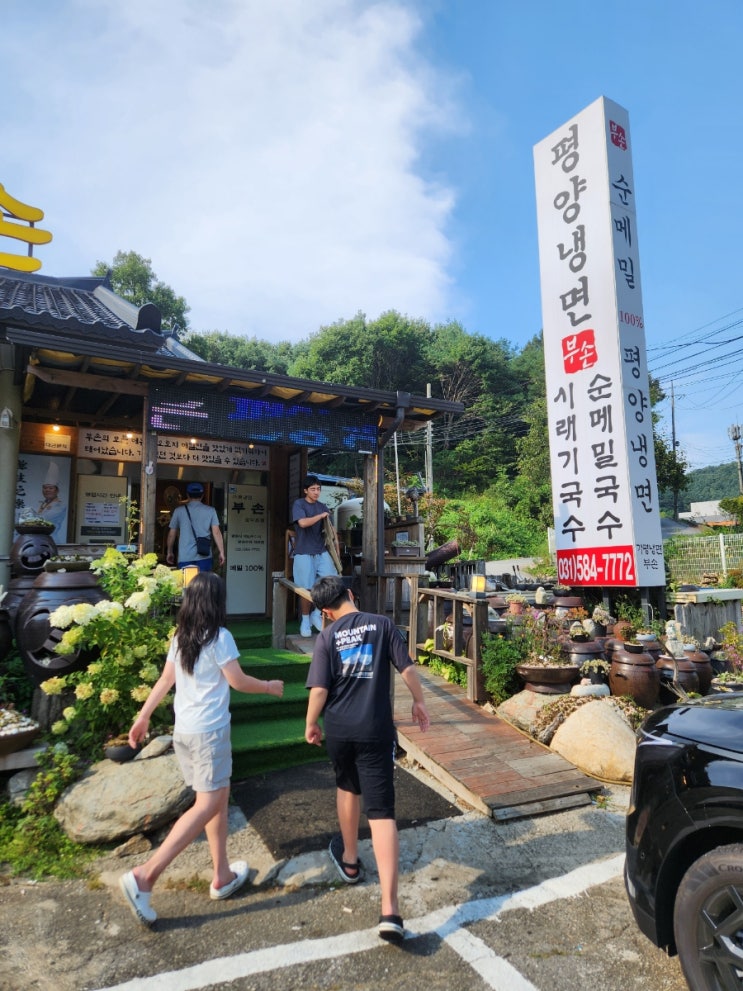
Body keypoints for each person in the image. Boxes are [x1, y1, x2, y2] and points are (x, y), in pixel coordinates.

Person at [119, 571, 284, 926]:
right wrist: (269, 686)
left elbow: (166, 680)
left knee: (217, 799)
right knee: (208, 803)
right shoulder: (220, 637)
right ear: (216, 602)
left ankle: (221, 874)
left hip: (185, 731)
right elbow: (238, 681)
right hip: (209, 734)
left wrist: (143, 716)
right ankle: (145, 875)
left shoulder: (181, 637)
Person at [304, 574, 430, 942]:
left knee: (346, 787)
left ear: (326, 612)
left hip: (340, 729)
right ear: (350, 594)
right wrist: (419, 702)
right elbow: (407, 668)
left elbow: (319, 690)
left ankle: (349, 861)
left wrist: (311, 724)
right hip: (375, 729)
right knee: (381, 812)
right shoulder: (382, 625)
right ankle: (390, 909)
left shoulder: (327, 637)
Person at [291, 475, 339, 638]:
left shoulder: (322, 506)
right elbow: (302, 523)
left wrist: (336, 552)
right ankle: (305, 620)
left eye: (318, 489)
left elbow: (331, 532)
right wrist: (321, 516)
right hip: (303, 551)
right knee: (306, 588)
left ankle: (316, 614)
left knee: (331, 583)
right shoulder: (299, 504)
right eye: (313, 489)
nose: (316, 492)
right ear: (306, 490)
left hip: (321, 550)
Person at [166, 482, 225, 571]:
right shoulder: (211, 511)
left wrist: (169, 552)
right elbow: (216, 532)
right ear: (202, 495)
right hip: (205, 557)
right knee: (203, 580)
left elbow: (171, 534)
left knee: (187, 580)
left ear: (187, 495)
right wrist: (221, 552)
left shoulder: (178, 511)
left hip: (185, 557)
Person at [36, 461, 67, 539]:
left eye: (51, 488)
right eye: (45, 488)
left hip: (51, 538)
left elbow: (43, 519)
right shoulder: (43, 503)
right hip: (38, 538)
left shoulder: (60, 506)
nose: (47, 490)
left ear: (57, 491)